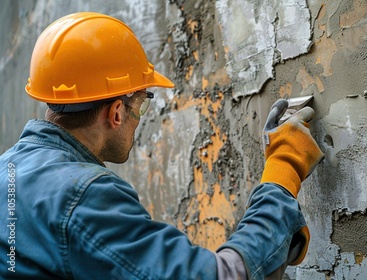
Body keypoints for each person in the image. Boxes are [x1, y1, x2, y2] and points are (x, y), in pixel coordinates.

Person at [0, 12, 323, 280]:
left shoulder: (7, 170)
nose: (138, 117)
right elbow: (225, 275)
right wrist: (284, 171)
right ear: (116, 112)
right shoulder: (83, 197)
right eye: (141, 105)